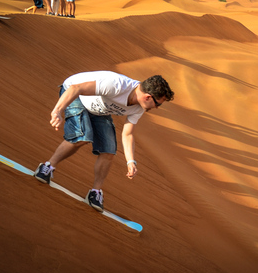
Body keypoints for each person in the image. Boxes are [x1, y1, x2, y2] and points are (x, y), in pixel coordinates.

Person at [34, 71, 174, 212]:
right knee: (82, 135)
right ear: (148, 97)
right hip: (77, 96)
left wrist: (131, 161)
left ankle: (95, 193)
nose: (156, 108)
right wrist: (57, 111)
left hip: (99, 110)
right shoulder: (116, 85)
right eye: (158, 104)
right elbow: (76, 88)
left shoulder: (139, 107)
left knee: (109, 150)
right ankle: (47, 167)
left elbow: (128, 133)